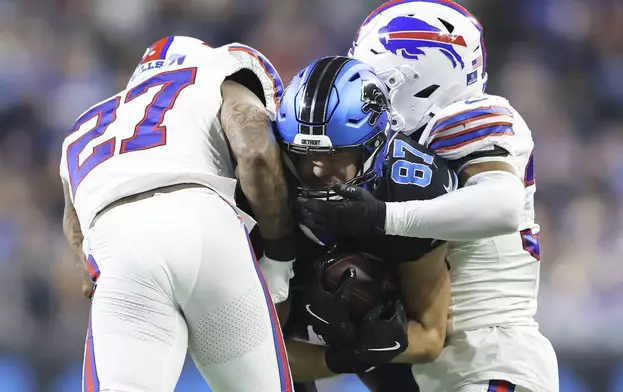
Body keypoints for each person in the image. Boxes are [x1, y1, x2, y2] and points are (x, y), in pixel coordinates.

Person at [298, 1, 559, 392]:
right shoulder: (382, 148)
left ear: (415, 76)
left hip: (486, 359)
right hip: (428, 371)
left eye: (376, 77)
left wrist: (383, 217)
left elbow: (501, 205)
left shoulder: (464, 118)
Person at [60, 36, 294, 392]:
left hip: (116, 244)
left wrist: (99, 276)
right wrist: (279, 258)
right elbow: (256, 153)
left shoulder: (82, 126)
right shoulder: (213, 70)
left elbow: (74, 226)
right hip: (205, 222)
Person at [271, 56, 455, 390]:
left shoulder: (412, 187)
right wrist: (341, 358)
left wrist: (365, 348)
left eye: (335, 155)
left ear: (373, 147)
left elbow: (429, 336)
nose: (316, 170)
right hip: (289, 316)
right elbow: (263, 351)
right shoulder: (268, 187)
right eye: (305, 154)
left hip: (382, 320)